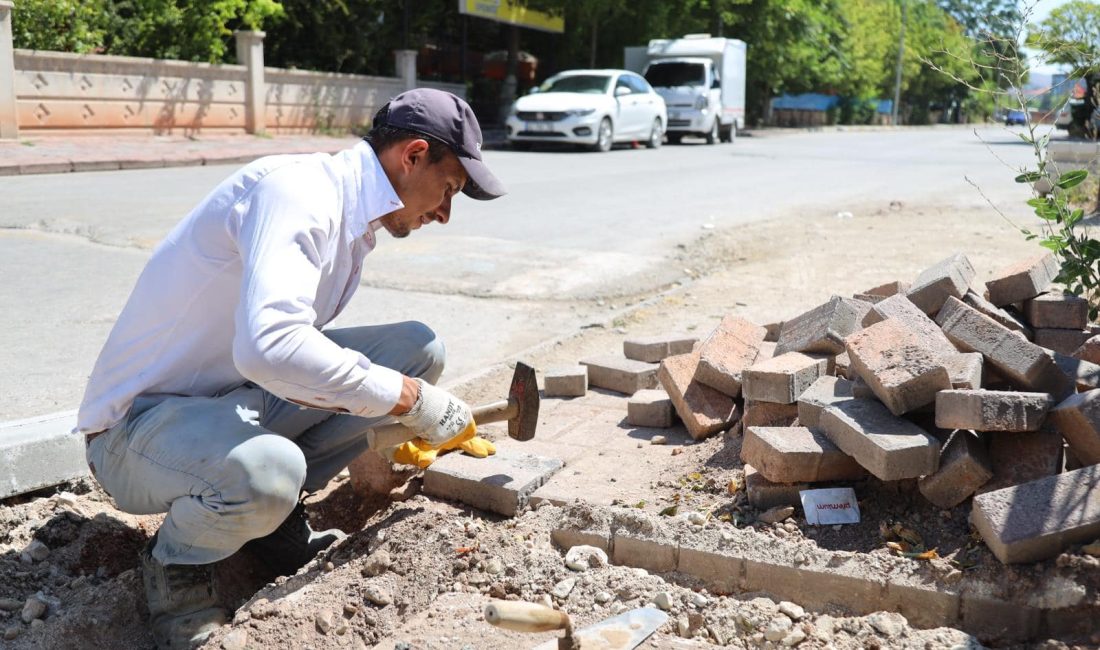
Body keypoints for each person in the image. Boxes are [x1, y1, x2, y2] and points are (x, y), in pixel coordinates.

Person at [76, 88, 505, 649]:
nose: (445, 214)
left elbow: (278, 358)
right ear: (414, 155)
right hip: (137, 430)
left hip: (231, 398)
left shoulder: (351, 216)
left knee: (418, 350)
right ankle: (179, 564)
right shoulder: (299, 194)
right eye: (447, 190)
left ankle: (270, 519)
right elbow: (270, 347)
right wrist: (410, 401)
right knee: (275, 467)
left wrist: (397, 395)